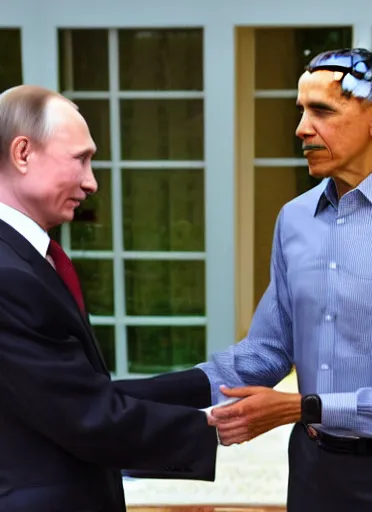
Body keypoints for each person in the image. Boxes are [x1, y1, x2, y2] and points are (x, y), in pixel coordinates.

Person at [198, 48, 372, 512]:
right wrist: (147, 395)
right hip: (313, 471)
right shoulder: (294, 220)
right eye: (301, 110)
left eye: (322, 111)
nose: (302, 128)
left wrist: (301, 407)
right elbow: (268, 350)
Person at [0, 85, 218, 512]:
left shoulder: (25, 258)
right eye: (80, 158)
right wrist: (216, 425)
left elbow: (77, 388)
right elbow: (86, 415)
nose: (91, 182)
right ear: (22, 153)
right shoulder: (9, 276)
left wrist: (208, 384)